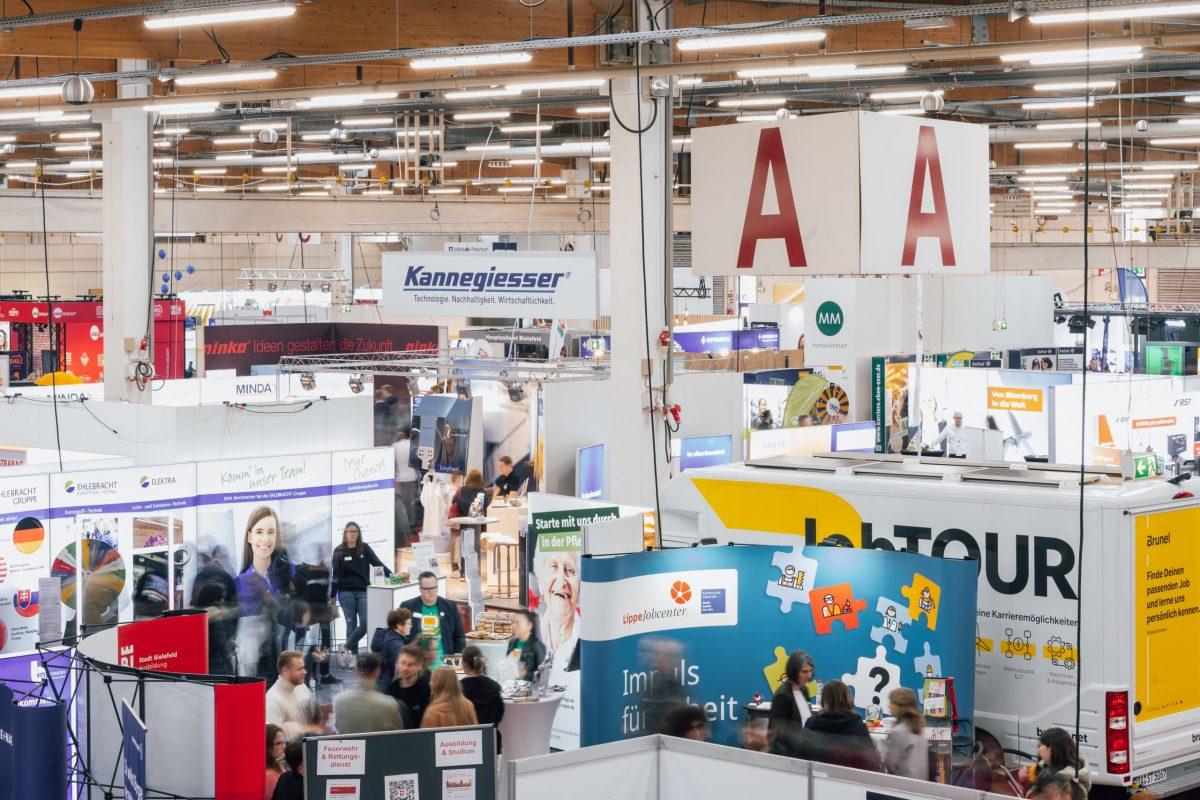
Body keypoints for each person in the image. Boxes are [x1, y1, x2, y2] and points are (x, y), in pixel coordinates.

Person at [235, 506, 292, 679]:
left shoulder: (288, 574)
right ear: (250, 536)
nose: (265, 539)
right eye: (259, 531)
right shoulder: (240, 582)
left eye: (271, 532)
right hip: (254, 664)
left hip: (282, 662)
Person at [332, 521, 391, 657]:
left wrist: (393, 576)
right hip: (345, 592)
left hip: (363, 591)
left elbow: (378, 564)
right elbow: (336, 575)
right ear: (345, 534)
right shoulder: (339, 551)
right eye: (349, 531)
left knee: (365, 623)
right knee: (351, 625)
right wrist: (332, 595)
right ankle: (354, 657)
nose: (352, 534)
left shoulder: (364, 548)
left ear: (358, 534)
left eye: (355, 531)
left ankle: (345, 647)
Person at [803, 679, 878, 771]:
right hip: (849, 779)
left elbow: (801, 755)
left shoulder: (811, 723)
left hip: (816, 777)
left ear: (823, 699)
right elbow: (871, 761)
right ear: (847, 698)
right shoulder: (857, 725)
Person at [400, 571, 466, 665]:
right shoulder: (407, 606)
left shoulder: (450, 606)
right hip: (417, 662)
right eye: (427, 589)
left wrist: (459, 658)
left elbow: (459, 636)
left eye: (433, 588)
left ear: (437, 587)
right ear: (420, 589)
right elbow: (400, 636)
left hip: (444, 662)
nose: (431, 591)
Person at [334, 653, 408, 734]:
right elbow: (398, 736)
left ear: (356, 670)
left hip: (350, 746)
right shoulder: (390, 705)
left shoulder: (338, 701)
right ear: (377, 671)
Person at [266, 650, 322, 739]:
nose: (305, 672)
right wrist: (301, 729)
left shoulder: (302, 687)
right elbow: (272, 738)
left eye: (304, 668)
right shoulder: (272, 700)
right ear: (285, 671)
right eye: (300, 669)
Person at [1021, 727, 1093, 794]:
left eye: (1040, 745)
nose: (1038, 749)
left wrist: (1024, 781)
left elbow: (1034, 796)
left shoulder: (1063, 782)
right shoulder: (1044, 768)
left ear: (1052, 749)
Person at [460, 646, 504, 749]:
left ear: (464, 664)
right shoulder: (494, 686)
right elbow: (500, 713)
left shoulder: (459, 688)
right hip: (491, 739)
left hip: (466, 743)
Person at [883, 687, 927, 780]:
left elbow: (889, 764)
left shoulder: (898, 731)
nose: (889, 706)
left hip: (902, 784)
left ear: (902, 707)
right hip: (921, 781)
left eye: (892, 703)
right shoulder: (920, 728)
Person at [769, 649, 815, 735]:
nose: (809, 675)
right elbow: (776, 732)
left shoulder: (804, 690)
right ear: (793, 671)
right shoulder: (782, 695)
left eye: (811, 671)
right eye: (804, 671)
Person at [385, 643, 432, 727]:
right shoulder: (390, 690)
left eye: (410, 665)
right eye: (402, 663)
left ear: (419, 666)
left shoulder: (426, 689)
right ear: (397, 663)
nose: (405, 668)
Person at [369, 608, 413, 690]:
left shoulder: (386, 634)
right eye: (409, 624)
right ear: (399, 626)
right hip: (390, 687)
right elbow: (400, 669)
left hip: (381, 683)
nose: (411, 626)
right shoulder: (396, 644)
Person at [394, 429, 418, 548]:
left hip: (399, 479)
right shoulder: (412, 445)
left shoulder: (395, 446)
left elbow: (393, 464)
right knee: (409, 504)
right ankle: (409, 527)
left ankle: (404, 529)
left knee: (401, 505)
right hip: (411, 477)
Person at [505, 610, 547, 681]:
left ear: (529, 625)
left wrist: (525, 674)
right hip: (512, 685)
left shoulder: (538, 646)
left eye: (518, 623)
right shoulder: (512, 642)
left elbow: (544, 675)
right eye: (512, 622)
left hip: (529, 688)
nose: (513, 625)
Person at [264, 724, 285, 800]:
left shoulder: (277, 765)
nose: (284, 746)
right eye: (278, 743)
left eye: (284, 742)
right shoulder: (270, 777)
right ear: (267, 746)